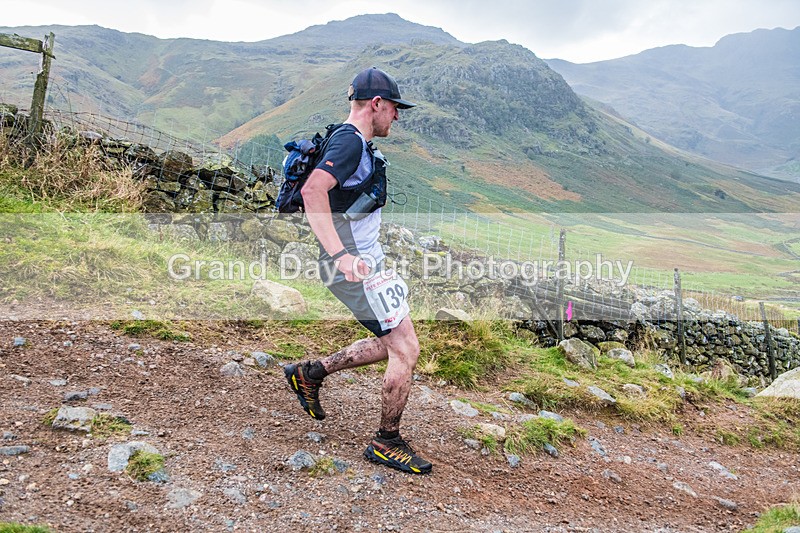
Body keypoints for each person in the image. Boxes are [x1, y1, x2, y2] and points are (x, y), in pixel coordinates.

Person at [284, 67, 432, 475]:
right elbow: (313, 191)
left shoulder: (354, 141)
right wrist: (341, 256)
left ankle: (309, 373)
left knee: (394, 342)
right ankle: (386, 442)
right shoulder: (349, 142)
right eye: (395, 109)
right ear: (377, 104)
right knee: (406, 347)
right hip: (351, 266)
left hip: (367, 262)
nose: (397, 117)